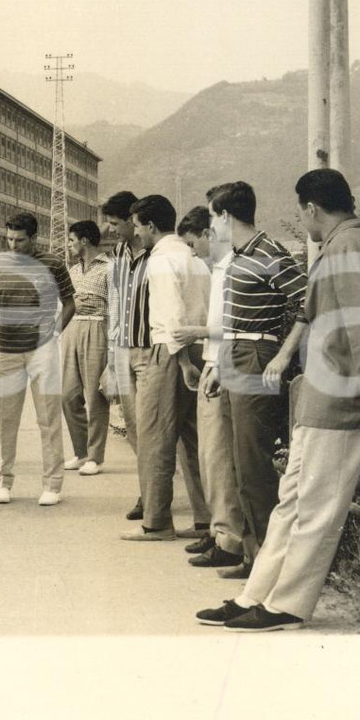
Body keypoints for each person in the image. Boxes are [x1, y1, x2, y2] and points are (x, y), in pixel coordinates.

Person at [197, 169, 360, 632]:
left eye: (300, 212)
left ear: (311, 208)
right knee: (294, 503)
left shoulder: (351, 249)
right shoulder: (343, 247)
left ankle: (285, 605)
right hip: (321, 399)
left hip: (342, 401)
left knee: (313, 508)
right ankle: (258, 594)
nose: (301, 220)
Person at [197, 181, 306, 576]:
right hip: (234, 355)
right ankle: (252, 554)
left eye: (212, 216)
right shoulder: (240, 257)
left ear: (226, 215)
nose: (212, 224)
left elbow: (308, 300)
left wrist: (284, 352)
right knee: (239, 463)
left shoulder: (268, 252)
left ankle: (267, 562)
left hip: (257, 355)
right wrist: (217, 368)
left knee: (254, 463)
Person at [119, 195, 211, 542]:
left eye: (138, 226)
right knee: (193, 440)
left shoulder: (159, 261)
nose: (136, 233)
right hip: (199, 349)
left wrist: (183, 361)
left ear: (151, 226)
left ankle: (157, 522)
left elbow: (172, 317)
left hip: (171, 352)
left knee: (155, 436)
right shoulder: (194, 258)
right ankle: (206, 519)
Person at [173, 205, 247, 574]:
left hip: (223, 365)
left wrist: (198, 335)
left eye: (192, 242)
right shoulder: (215, 269)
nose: (192, 251)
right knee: (209, 456)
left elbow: (235, 326)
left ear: (208, 233)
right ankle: (220, 531)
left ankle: (229, 539)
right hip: (213, 363)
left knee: (219, 458)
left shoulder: (232, 267)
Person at [0, 211, 75, 505]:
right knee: (4, 418)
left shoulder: (53, 262)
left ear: (34, 238)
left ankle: (52, 484)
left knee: (48, 417)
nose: (13, 244)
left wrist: (56, 332)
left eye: (20, 240)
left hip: (43, 350)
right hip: (7, 349)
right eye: (9, 238)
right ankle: (2, 482)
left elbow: (70, 301)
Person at [100, 190, 148, 519]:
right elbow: (114, 302)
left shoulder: (154, 250)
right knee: (131, 423)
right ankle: (149, 491)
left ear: (132, 221)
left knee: (150, 424)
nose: (110, 228)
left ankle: (155, 492)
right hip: (121, 345)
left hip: (147, 347)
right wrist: (110, 356)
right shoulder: (118, 250)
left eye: (115, 223)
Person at [61, 219, 112, 475]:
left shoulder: (109, 269)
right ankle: (80, 452)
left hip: (96, 329)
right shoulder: (73, 270)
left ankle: (95, 456)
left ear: (85, 241)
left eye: (71, 240)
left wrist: (112, 347)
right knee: (68, 396)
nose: (69, 245)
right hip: (72, 330)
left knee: (95, 396)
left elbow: (114, 309)